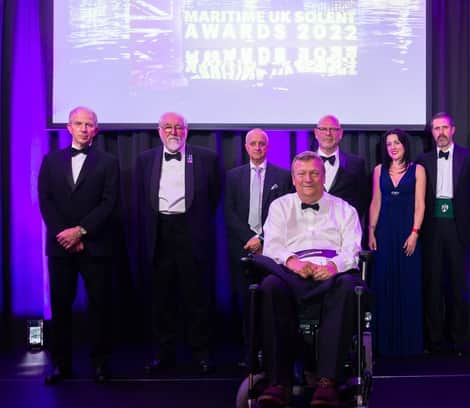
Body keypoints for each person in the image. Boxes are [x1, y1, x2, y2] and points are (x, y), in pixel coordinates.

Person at [254, 151, 363, 408]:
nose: (308, 179)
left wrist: (334, 266)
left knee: (349, 286)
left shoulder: (345, 209)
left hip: (332, 273)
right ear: (293, 178)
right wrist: (294, 263)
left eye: (314, 173)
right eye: (301, 174)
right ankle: (278, 381)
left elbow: (353, 250)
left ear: (324, 177)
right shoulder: (280, 206)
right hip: (291, 272)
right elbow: (273, 245)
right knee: (269, 285)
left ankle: (327, 382)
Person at [38, 106, 119, 384]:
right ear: (69, 128)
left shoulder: (108, 162)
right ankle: (61, 364)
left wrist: (81, 232)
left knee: (101, 306)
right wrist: (66, 234)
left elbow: (109, 202)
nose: (84, 128)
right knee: (60, 307)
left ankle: (101, 364)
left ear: (95, 129)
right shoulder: (50, 161)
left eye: (89, 124)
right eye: (78, 123)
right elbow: (45, 201)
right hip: (60, 246)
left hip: (95, 246)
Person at [136, 112, 221, 375]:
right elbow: (140, 197)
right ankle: (164, 352)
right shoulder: (144, 159)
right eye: (168, 127)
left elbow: (214, 195)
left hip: (191, 230)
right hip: (159, 232)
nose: (174, 131)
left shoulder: (207, 158)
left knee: (197, 296)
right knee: (161, 297)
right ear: (159, 130)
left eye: (179, 127)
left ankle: (201, 352)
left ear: (187, 130)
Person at [417, 113, 470, 355]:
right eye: (436, 128)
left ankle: (458, 340)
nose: (441, 132)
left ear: (453, 129)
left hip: (459, 228)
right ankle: (434, 340)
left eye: (444, 127)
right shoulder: (422, 160)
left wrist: (466, 217)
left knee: (459, 286)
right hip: (432, 228)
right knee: (433, 285)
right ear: (432, 132)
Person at [224, 128, 292, 358]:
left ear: (268, 146)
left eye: (261, 143)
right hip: (241, 248)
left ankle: (272, 352)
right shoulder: (233, 176)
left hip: (271, 248)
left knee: (271, 300)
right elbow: (229, 212)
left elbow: (284, 212)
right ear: (246, 147)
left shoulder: (282, 176)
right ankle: (250, 354)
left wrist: (262, 238)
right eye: (253, 143)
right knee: (246, 302)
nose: (257, 147)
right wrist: (249, 239)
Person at [369, 128, 426, 356]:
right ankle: (384, 345)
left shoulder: (418, 170)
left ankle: (409, 345)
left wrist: (415, 232)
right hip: (384, 233)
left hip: (407, 233)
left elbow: (420, 204)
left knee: (408, 285)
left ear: (405, 145)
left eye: (397, 143)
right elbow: (376, 201)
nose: (392, 147)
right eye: (389, 143)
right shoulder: (378, 170)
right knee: (383, 284)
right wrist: (371, 232)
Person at [313, 115, 368, 220]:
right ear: (316, 133)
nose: (328, 133)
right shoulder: (304, 164)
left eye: (333, 129)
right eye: (323, 129)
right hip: (312, 228)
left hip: (344, 229)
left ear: (341, 133)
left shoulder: (356, 164)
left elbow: (363, 199)